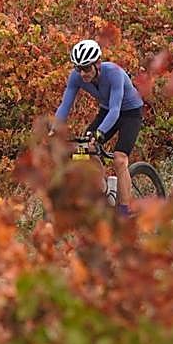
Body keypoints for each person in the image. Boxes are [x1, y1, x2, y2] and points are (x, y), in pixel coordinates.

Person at [53, 39, 144, 216]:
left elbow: (116, 109)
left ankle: (125, 212)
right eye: (79, 68)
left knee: (119, 159)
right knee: (82, 152)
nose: (83, 73)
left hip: (129, 113)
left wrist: (100, 133)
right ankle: (104, 191)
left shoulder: (114, 73)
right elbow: (65, 106)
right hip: (106, 111)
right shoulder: (76, 77)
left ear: (98, 64)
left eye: (87, 68)